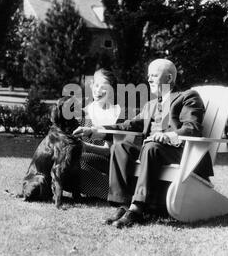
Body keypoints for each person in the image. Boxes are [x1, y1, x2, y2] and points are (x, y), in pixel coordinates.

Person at [74, 59, 214, 228]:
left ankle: (138, 208)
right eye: (148, 76)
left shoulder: (187, 97)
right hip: (153, 149)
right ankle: (123, 204)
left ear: (169, 79)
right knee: (121, 147)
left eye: (154, 75)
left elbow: (192, 127)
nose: (149, 79)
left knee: (150, 147)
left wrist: (169, 135)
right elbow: (129, 125)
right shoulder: (151, 105)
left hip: (182, 152)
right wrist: (97, 130)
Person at [78, 68, 121, 200]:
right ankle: (86, 187)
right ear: (91, 85)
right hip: (85, 156)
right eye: (96, 85)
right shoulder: (84, 112)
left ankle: (110, 193)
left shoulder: (117, 113)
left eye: (104, 88)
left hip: (107, 161)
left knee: (80, 160)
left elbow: (109, 151)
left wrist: (84, 146)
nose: (98, 90)